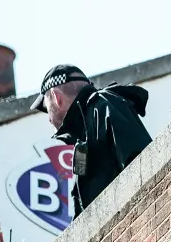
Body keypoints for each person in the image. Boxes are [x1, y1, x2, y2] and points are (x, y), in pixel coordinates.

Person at [30, 64, 153, 217]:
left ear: (56, 97)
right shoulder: (86, 132)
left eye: (47, 108)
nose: (49, 119)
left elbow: (142, 167)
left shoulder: (104, 106)